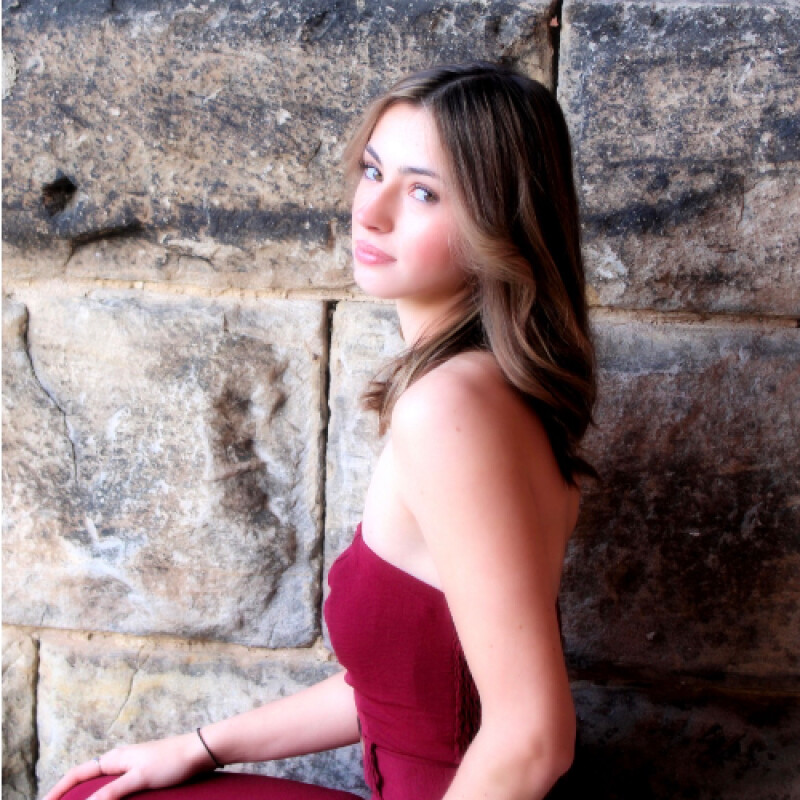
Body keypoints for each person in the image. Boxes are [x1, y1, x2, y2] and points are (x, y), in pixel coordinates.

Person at [44, 61, 596, 800]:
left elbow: (533, 738)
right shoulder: (486, 392)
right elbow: (403, 694)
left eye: (424, 192)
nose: (372, 212)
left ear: (500, 224)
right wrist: (198, 746)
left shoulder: (449, 409)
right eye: (373, 171)